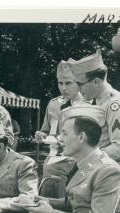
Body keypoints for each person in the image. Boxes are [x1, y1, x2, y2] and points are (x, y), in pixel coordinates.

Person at [71, 49, 120, 195]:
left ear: (96, 81)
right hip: (99, 174)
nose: (78, 90)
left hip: (113, 178)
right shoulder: (97, 102)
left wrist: (86, 157)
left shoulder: (115, 104)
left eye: (80, 84)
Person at [34, 60, 87, 198]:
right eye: (60, 83)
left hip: (76, 163)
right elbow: (46, 131)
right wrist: (41, 135)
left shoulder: (89, 105)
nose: (64, 88)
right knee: (47, 203)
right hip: (52, 163)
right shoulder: (53, 104)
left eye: (69, 83)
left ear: (79, 82)